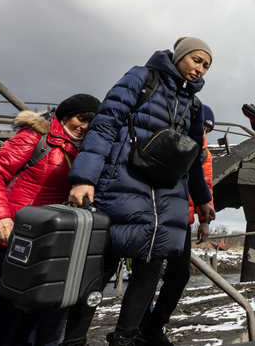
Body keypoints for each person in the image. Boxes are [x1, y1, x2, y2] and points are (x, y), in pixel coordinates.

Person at [67, 37, 216, 346]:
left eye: (206, 65)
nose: (200, 68)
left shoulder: (195, 105)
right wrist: (85, 179)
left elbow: (193, 158)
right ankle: (73, 338)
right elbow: (106, 124)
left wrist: (203, 202)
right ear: (179, 56)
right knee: (101, 267)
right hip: (122, 181)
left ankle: (126, 336)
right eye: (196, 60)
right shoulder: (142, 77)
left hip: (165, 195)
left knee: (152, 261)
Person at [0, 94, 101, 346]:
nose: (84, 126)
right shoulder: (37, 137)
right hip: (17, 235)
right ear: (65, 115)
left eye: (91, 123)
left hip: (53, 240)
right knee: (8, 309)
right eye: (80, 118)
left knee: (38, 307)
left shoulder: (89, 152)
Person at [138, 104, 215, 346]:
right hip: (156, 215)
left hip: (184, 219)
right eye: (201, 126)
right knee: (147, 273)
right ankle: (139, 327)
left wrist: (204, 220)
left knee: (180, 274)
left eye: (206, 128)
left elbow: (206, 186)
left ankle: (155, 325)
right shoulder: (169, 141)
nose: (203, 131)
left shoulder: (205, 154)